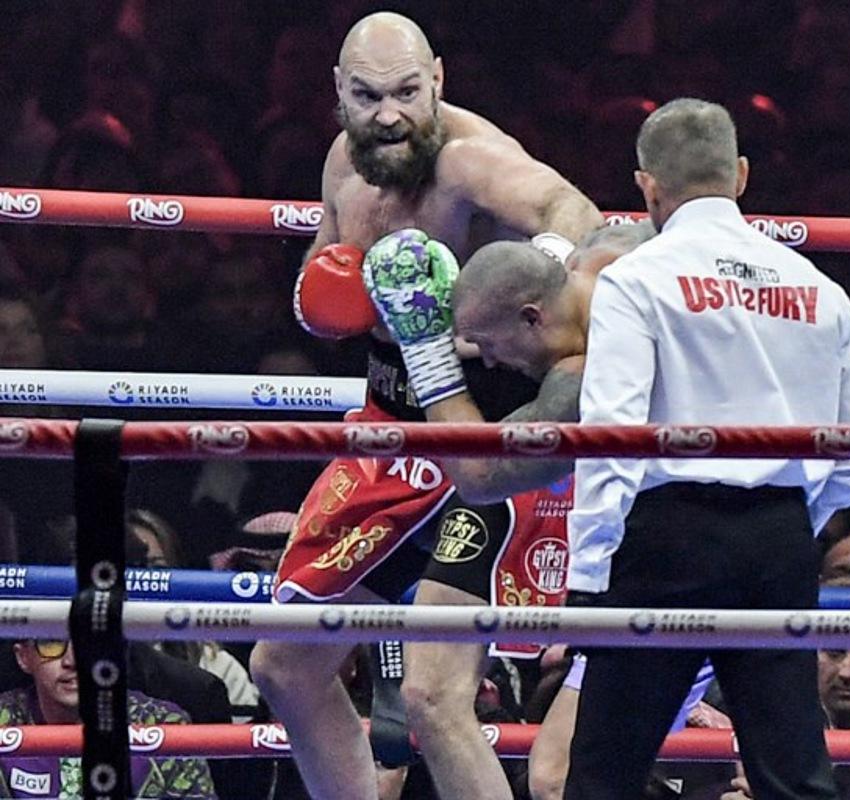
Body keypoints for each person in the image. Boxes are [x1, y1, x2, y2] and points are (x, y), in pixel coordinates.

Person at [249, 11, 602, 800]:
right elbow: (326, 272)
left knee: (434, 699)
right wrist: (323, 292)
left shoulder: (472, 161)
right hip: (387, 433)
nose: (390, 114)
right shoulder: (346, 159)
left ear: (437, 80)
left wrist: (508, 292)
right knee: (284, 665)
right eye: (369, 95)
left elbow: (575, 215)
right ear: (339, 92)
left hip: (479, 430)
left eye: (408, 92)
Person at [563, 98, 850, 800]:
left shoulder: (636, 278)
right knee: (793, 774)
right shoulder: (820, 290)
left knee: (603, 777)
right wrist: (788, 508)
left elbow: (613, 435)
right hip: (776, 542)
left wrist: (586, 573)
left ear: (647, 185)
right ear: (740, 174)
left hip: (663, 540)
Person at [371, 223, 657, 800]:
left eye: (491, 345)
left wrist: (427, 354)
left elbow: (479, 475)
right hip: (545, 496)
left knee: (557, 779)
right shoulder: (601, 252)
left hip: (657, 538)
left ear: (532, 318)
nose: (491, 364)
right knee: (428, 693)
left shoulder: (590, 369)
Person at [0, 640, 217, 799]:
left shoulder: (165, 725)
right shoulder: (2, 721)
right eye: (52, 642)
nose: (72, 661)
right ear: (23, 657)